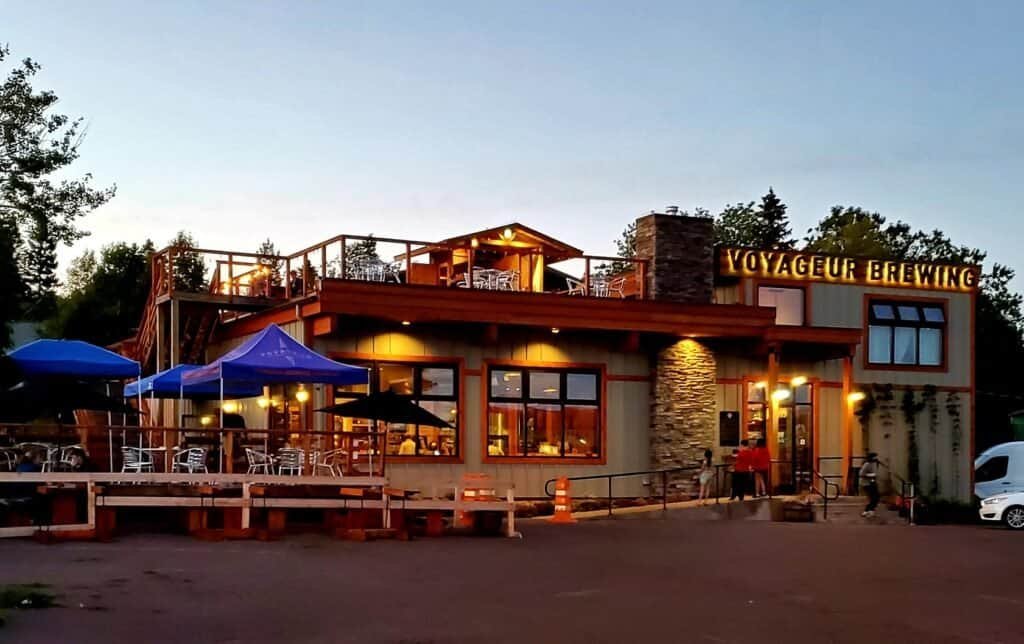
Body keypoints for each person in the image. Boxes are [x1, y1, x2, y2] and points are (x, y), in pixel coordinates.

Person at [859, 452, 881, 517]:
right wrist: (871, 475)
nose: (876, 458)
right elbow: (861, 473)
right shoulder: (867, 464)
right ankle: (868, 511)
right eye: (875, 457)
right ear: (872, 457)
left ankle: (869, 510)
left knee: (876, 497)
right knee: (874, 497)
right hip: (867, 483)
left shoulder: (873, 464)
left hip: (872, 482)